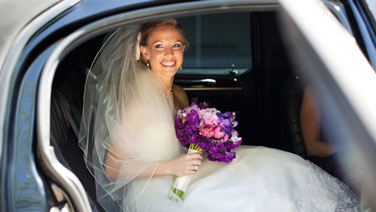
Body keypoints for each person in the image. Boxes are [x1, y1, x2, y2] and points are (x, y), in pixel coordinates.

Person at [79, 18, 359, 212]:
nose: (169, 54)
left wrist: (211, 138)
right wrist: (172, 167)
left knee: (272, 162)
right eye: (159, 46)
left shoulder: (177, 92)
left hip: (187, 171)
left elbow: (184, 142)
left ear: (184, 49)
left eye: (176, 45)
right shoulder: (138, 103)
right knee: (257, 195)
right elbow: (112, 168)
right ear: (144, 52)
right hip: (156, 190)